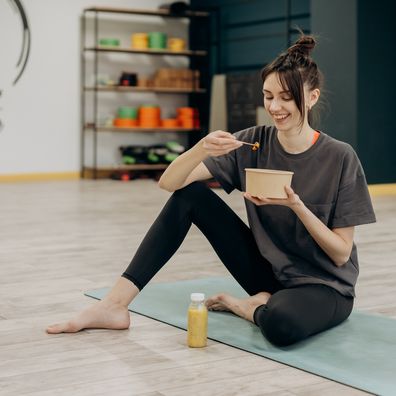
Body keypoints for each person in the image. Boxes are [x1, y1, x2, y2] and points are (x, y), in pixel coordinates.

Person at [47, 35, 376, 346]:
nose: (275, 106)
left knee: (281, 325)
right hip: (270, 273)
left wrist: (297, 206)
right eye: (268, 96)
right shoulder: (254, 141)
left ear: (313, 97)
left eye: (287, 98)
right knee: (191, 196)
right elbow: (169, 183)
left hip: (324, 286)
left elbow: (340, 254)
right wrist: (201, 148)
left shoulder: (340, 157)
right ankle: (113, 305)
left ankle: (248, 307)